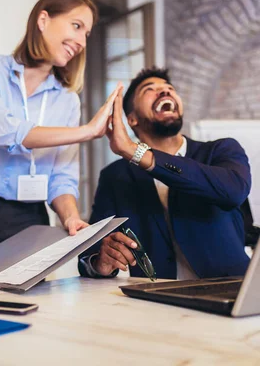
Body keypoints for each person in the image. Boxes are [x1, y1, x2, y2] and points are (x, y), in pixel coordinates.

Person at [0, 0, 121, 269]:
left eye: (86, 34)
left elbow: (61, 178)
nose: (81, 41)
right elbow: (4, 132)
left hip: (29, 219)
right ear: (43, 20)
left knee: (25, 309)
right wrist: (88, 131)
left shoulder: (67, 100)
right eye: (76, 26)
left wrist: (70, 217)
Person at [79, 67, 251, 280]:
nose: (165, 92)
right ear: (132, 119)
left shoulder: (221, 150)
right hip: (155, 302)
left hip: (229, 293)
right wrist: (101, 261)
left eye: (169, 88)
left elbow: (233, 191)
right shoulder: (115, 175)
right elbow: (89, 256)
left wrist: (134, 150)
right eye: (149, 90)